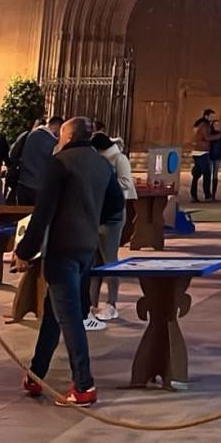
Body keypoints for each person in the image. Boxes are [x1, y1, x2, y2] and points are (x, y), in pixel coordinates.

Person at [15, 115, 124, 406]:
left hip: (62, 248)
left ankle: (84, 386)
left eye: (60, 136)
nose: (58, 140)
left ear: (69, 136)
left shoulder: (60, 163)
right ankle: (36, 374)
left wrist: (24, 251)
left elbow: (42, 214)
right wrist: (91, 219)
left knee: (71, 318)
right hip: (86, 247)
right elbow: (116, 204)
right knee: (55, 312)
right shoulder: (102, 164)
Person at [89, 133, 136, 323]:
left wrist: (104, 182)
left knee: (110, 260)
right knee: (94, 262)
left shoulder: (118, 158)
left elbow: (126, 183)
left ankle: (112, 304)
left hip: (113, 216)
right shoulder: (96, 161)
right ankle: (91, 303)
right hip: (97, 214)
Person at [11, 116, 62, 206]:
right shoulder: (53, 143)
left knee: (22, 212)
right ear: (57, 127)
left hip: (23, 183)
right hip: (40, 186)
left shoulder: (30, 135)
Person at [190, 109, 213, 202]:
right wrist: (219, 136)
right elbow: (207, 137)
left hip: (197, 151)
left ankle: (193, 194)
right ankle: (207, 195)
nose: (212, 118)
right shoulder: (204, 125)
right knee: (207, 174)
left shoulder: (198, 124)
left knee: (197, 174)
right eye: (211, 116)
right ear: (206, 116)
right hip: (202, 152)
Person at [207, 114, 221, 201]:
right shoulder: (211, 134)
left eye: (218, 125)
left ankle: (214, 194)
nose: (217, 126)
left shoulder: (220, 136)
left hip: (217, 156)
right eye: (215, 125)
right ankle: (208, 193)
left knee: (215, 175)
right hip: (210, 156)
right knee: (209, 174)